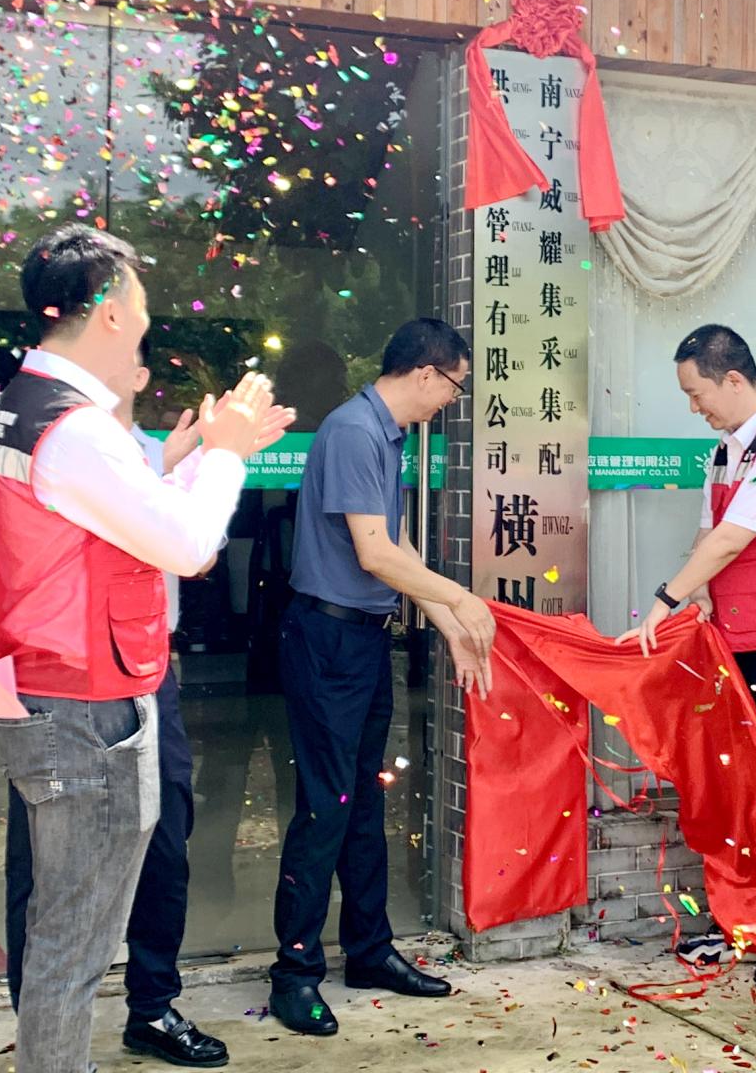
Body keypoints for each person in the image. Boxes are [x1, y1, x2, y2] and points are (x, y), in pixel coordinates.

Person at [0, 223, 292, 1073]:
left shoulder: (25, 405)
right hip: (86, 703)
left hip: (55, 684)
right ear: (112, 312)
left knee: (63, 927)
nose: (148, 321)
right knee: (74, 939)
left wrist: (203, 457)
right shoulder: (73, 427)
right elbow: (186, 546)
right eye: (143, 305)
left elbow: (114, 522)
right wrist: (223, 456)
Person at [3, 343, 230, 1069]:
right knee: (46, 861)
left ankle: (151, 1006)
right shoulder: (61, 437)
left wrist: (184, 464)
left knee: (164, 837)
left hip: (146, 669)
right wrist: (213, 461)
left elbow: (191, 546)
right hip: (67, 678)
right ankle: (46, 1026)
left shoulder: (130, 450)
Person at [268, 317, 495, 1037]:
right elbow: (373, 554)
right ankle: (294, 972)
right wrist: (463, 599)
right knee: (326, 808)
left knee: (364, 801)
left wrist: (450, 625)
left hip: (363, 639)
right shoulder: (353, 431)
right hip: (327, 638)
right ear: (427, 373)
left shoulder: (384, 434)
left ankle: (368, 950)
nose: (451, 400)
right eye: (454, 386)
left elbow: (398, 546)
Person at [619, 324, 756, 993]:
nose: (695, 407)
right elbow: (706, 537)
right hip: (736, 647)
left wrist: (664, 600)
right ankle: (749, 918)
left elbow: (733, 540)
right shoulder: (725, 452)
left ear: (735, 380)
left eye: (698, 394)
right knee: (746, 793)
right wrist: (694, 608)